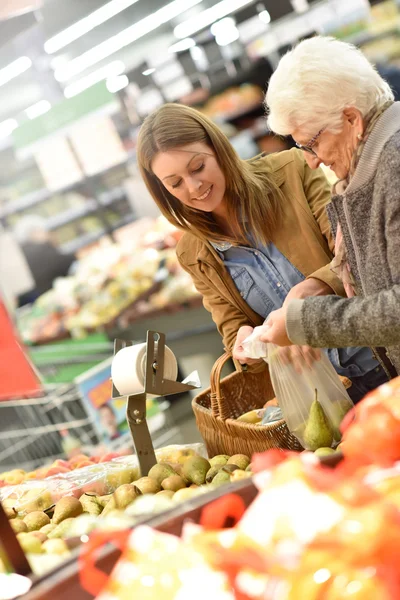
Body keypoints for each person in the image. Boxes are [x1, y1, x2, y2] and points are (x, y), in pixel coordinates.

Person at [136, 103, 388, 403]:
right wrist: (243, 343)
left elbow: (354, 252)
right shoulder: (193, 252)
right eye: (175, 183)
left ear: (218, 149)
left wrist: (313, 287)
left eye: (198, 167)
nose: (194, 186)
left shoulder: (292, 173)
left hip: (380, 355)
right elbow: (231, 324)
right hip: (322, 394)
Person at [261, 36, 400, 379]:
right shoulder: (363, 173)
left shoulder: (395, 166)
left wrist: (305, 322)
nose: (311, 162)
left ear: (352, 119)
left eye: (312, 143)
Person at [14, 216, 76, 304]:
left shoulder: (21, 255)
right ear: (34, 233)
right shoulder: (41, 249)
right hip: (57, 299)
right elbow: (68, 262)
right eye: (43, 231)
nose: (48, 234)